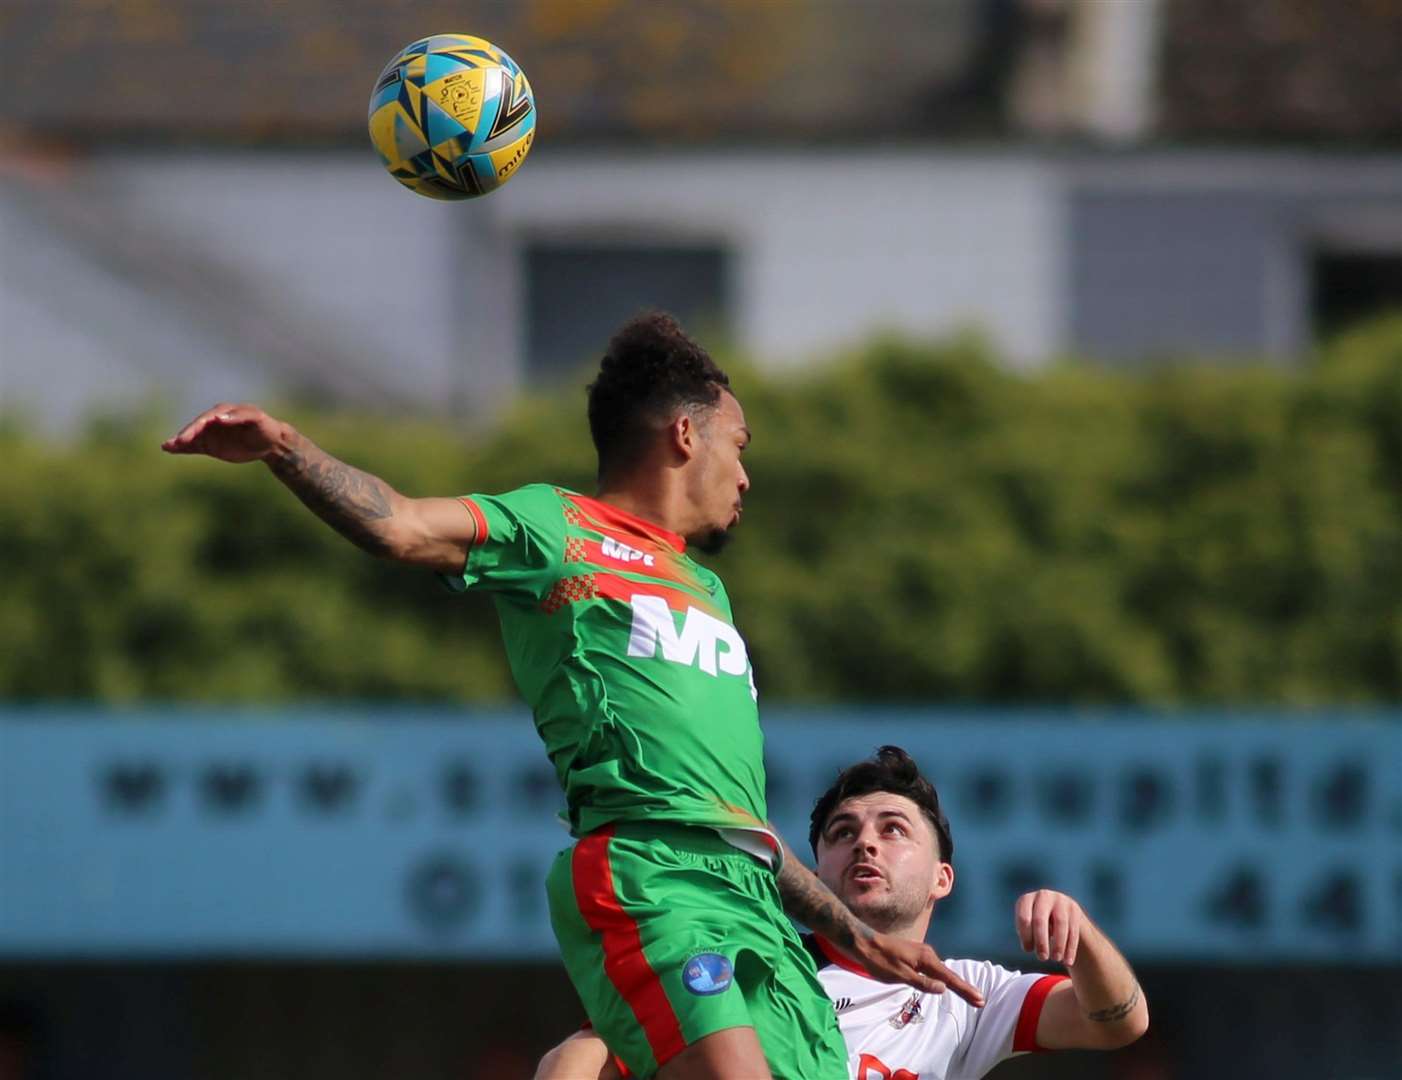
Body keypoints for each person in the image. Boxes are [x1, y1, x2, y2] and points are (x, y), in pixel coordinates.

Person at [161, 313, 982, 1080]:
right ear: (685, 434)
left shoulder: (707, 590)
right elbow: (401, 525)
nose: (746, 472)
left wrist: (854, 934)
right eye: (740, 443)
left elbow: (740, 824)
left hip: (753, 900)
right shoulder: (556, 528)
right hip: (648, 879)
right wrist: (283, 448)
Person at [537, 745, 1148, 1080]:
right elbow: (581, 1056)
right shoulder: (755, 963)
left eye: (894, 829)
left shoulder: (964, 998)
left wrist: (1083, 934)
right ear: (816, 872)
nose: (866, 843)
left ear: (943, 879)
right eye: (842, 832)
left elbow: (1117, 1021)